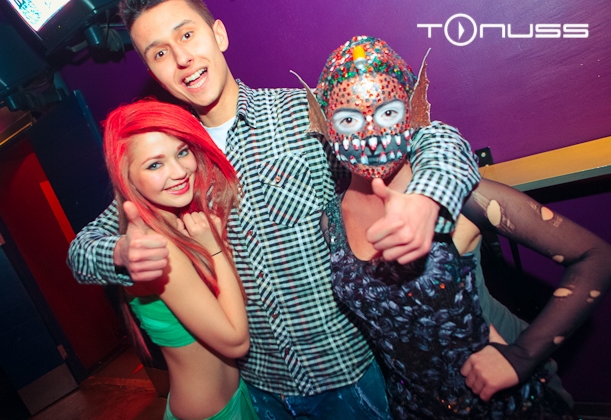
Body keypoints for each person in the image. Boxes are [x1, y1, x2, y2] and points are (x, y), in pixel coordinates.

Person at [67, 0, 534, 417]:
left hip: (346, 377)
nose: (181, 58)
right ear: (154, 71)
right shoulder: (174, 158)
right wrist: (121, 254)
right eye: (159, 53)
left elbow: (430, 135)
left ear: (219, 35)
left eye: (187, 34)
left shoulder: (300, 115)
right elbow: (81, 250)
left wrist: (426, 196)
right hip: (262, 386)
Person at [316, 36, 611, 419]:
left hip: (502, 405)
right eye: (349, 119)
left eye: (387, 112)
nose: (371, 137)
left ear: (412, 110)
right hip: (414, 409)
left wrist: (521, 356)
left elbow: (596, 257)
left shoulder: (458, 197)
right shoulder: (331, 220)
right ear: (326, 124)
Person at [102, 99, 256, 419]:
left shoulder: (177, 221)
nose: (179, 171)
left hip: (233, 397)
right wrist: (215, 247)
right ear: (127, 176)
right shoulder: (156, 247)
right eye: (154, 165)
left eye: (182, 152)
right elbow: (236, 342)